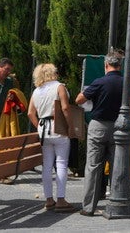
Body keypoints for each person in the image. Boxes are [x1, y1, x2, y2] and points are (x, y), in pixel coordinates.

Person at [76, 52, 123, 216]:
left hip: (98, 126)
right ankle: (118, 203)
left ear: (106, 65)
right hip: (119, 127)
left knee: (93, 166)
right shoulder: (126, 83)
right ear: (120, 65)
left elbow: (79, 100)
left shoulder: (99, 82)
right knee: (117, 166)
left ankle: (88, 207)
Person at [27, 63, 76, 212]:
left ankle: (49, 199)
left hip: (44, 130)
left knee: (47, 165)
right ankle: (61, 199)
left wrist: (39, 126)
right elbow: (65, 108)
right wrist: (70, 127)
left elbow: (30, 113)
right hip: (58, 129)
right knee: (61, 164)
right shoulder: (59, 86)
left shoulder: (37, 91)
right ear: (53, 72)